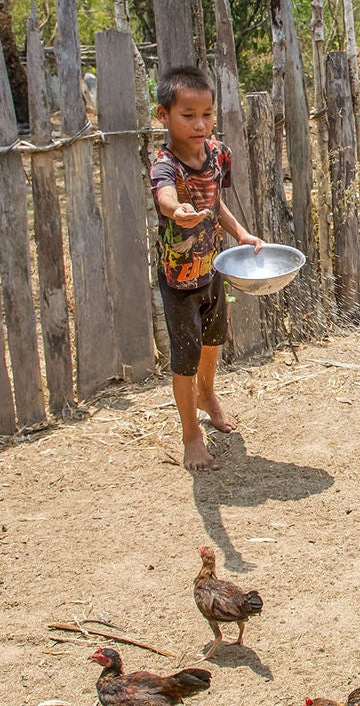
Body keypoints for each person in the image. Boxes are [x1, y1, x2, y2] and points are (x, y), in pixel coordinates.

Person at [149, 65, 263, 471]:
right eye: (188, 115)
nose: (200, 124)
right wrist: (176, 209)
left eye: (207, 114)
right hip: (179, 279)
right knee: (185, 355)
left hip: (212, 267)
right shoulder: (167, 166)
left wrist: (241, 233)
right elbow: (164, 195)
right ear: (163, 116)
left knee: (214, 339)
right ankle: (191, 435)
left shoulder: (217, 154)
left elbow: (216, 205)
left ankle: (208, 394)